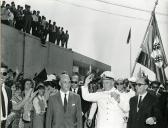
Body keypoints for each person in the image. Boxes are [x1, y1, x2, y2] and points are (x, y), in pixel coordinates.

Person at [1, 63, 12, 128]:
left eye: (4, 74)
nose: (1, 76)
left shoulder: (8, 90)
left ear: (7, 75)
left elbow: (10, 108)